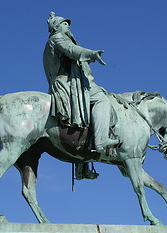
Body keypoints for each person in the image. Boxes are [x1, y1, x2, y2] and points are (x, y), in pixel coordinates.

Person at [43, 12, 119, 178]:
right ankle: (101, 141)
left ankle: (82, 167)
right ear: (56, 28)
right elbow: (72, 50)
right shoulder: (57, 38)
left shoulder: (57, 39)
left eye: (68, 24)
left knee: (84, 122)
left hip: (69, 83)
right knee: (101, 99)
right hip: (68, 85)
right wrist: (91, 54)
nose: (68, 26)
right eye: (64, 24)